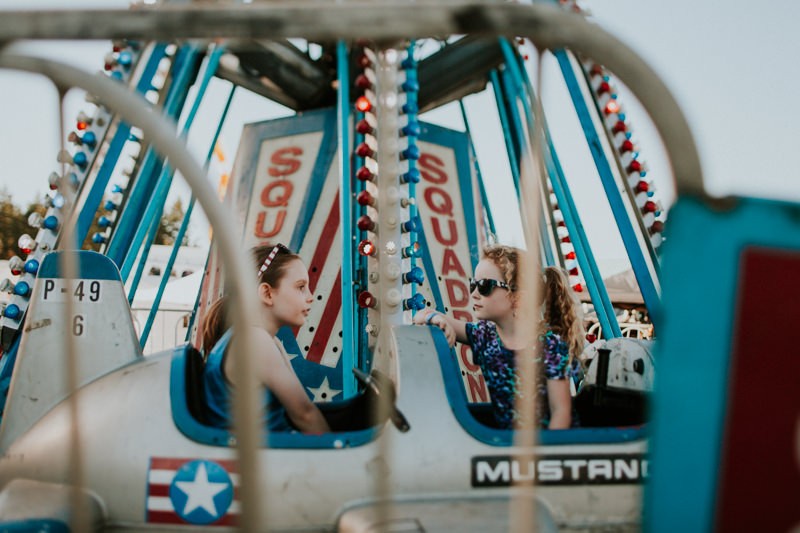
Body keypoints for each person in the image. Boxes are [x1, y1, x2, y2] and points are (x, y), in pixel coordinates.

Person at [414, 244, 583, 429]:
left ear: (517, 297)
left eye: (485, 286)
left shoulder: (551, 347)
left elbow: (561, 413)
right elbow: (421, 314)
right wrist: (436, 319)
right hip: (506, 445)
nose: (474, 294)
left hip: (546, 446)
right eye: (474, 284)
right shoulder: (484, 335)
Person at [200, 243, 330, 434]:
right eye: (301, 287)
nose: (310, 297)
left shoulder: (266, 340)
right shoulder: (253, 340)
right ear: (267, 293)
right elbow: (304, 414)